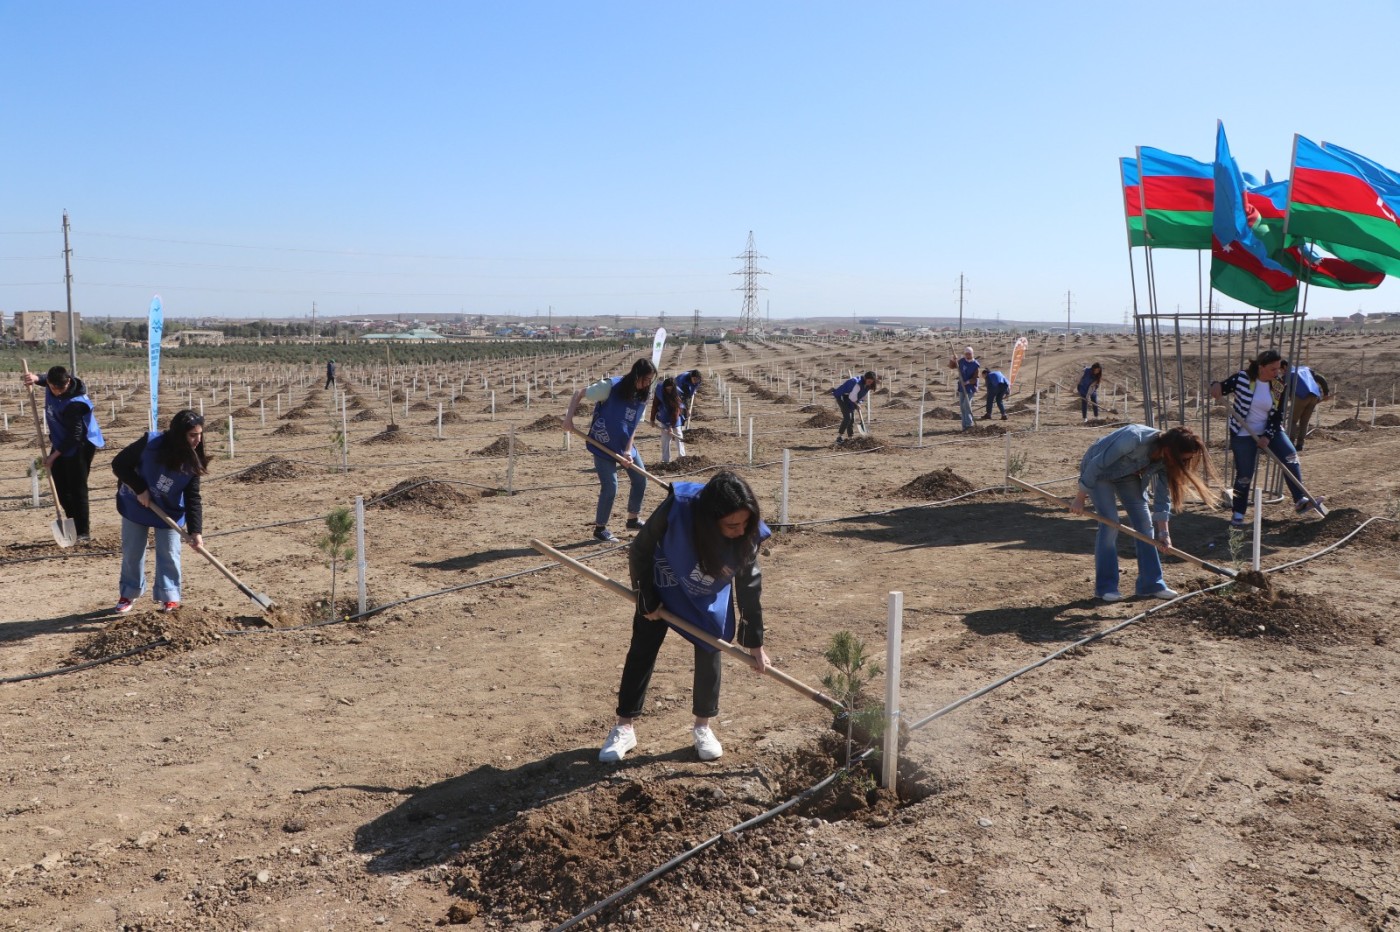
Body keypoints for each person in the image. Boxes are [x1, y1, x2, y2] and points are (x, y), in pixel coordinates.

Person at [598, 471, 771, 763]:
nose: (740, 530)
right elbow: (640, 549)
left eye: (744, 523)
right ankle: (624, 726)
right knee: (643, 647)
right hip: (663, 582)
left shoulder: (747, 532)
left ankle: (703, 726)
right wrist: (647, 599)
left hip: (706, 591)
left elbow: (749, 583)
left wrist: (754, 642)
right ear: (710, 517)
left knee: (710, 644)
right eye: (732, 525)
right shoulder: (680, 507)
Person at [1071, 424, 1217, 603]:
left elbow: (1163, 498)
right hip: (1098, 472)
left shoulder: (1166, 460)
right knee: (1110, 523)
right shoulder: (1134, 439)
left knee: (1145, 524)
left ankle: (1151, 584)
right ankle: (1106, 587)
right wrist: (1080, 497)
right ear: (1170, 451)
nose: (1183, 464)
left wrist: (1164, 533)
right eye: (1182, 459)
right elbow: (1097, 464)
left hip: (1126, 474)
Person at [111, 409, 209, 613]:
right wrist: (140, 489)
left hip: (169, 510)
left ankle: (169, 595)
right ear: (179, 434)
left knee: (169, 553)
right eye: (192, 435)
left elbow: (193, 497)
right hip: (136, 503)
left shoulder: (193, 462)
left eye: (200, 434)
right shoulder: (150, 444)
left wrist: (196, 531)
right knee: (133, 551)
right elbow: (119, 464)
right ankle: (129, 593)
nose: (197, 440)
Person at [1210, 349, 1319, 526]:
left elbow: (1278, 414)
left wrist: (1267, 436)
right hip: (1243, 432)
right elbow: (1222, 387)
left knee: (1290, 456)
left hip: (1270, 430)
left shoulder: (1278, 385)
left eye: (1278, 369)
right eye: (1273, 369)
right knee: (1244, 475)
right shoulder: (1242, 378)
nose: (1277, 372)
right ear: (1261, 367)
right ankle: (1238, 513)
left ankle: (1300, 500)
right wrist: (1215, 385)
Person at [564, 357, 656, 542]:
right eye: (645, 380)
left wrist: (628, 452)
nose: (647, 384)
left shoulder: (642, 396)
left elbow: (633, 426)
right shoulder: (610, 386)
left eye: (650, 381)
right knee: (611, 487)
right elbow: (578, 393)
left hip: (624, 444)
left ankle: (633, 519)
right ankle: (600, 529)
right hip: (603, 444)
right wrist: (569, 419)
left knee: (640, 480)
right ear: (636, 375)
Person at [21, 364, 105, 542]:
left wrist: (53, 456)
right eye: (53, 387)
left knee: (77, 488)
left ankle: (83, 532)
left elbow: (75, 436)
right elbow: (44, 379)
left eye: (61, 388)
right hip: (62, 440)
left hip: (81, 443)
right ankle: (71, 523)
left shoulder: (77, 403)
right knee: (60, 485)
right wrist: (35, 378)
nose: (57, 392)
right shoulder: (51, 383)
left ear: (68, 382)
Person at [1281, 359, 1329, 451]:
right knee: (1304, 422)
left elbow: (1284, 392)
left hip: (1300, 397)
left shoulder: (1288, 375)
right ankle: (1300, 445)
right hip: (1314, 396)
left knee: (1292, 420)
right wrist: (1326, 393)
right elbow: (1321, 379)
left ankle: (1290, 444)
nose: (1281, 372)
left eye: (1280, 370)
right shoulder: (1305, 369)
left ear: (1284, 367)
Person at [830, 370, 877, 444]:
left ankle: (850, 437)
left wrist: (859, 403)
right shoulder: (857, 384)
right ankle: (839, 437)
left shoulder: (868, 385)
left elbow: (863, 396)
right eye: (869, 381)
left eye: (871, 382)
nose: (870, 383)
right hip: (842, 397)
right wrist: (856, 404)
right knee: (848, 417)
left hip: (851, 398)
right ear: (865, 378)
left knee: (852, 419)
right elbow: (852, 396)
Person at [651, 377, 687, 463]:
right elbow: (655, 405)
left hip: (675, 416)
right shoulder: (659, 392)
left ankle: (682, 457)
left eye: (671, 389)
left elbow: (675, 412)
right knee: (665, 438)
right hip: (664, 414)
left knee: (678, 434)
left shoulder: (677, 395)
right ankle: (665, 460)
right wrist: (652, 419)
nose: (669, 391)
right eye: (667, 389)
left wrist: (671, 426)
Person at [950, 347, 980, 430]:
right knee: (962, 407)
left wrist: (967, 382)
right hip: (961, 387)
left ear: (972, 354)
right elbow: (952, 366)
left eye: (969, 354)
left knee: (966, 404)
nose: (968, 355)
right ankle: (964, 426)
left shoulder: (975, 365)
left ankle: (969, 424)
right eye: (966, 354)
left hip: (970, 387)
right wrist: (953, 360)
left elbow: (975, 378)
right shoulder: (962, 361)